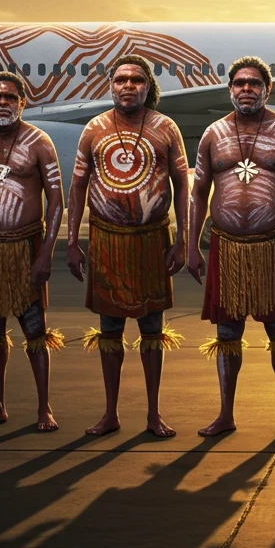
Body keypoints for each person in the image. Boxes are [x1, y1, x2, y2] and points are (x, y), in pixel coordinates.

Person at [189, 56, 275, 438]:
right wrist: (191, 245)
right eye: (240, 83)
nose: (247, 89)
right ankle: (226, 413)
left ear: (267, 89)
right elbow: (198, 192)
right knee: (227, 333)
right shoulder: (213, 134)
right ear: (229, 90)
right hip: (226, 249)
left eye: (254, 83)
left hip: (272, 246)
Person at [67, 54, 188, 437]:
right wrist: (72, 241)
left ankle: (154, 415)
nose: (128, 85)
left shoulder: (166, 128)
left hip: (153, 240)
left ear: (149, 87)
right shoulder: (94, 129)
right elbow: (77, 188)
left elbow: (183, 185)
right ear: (111, 85)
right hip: (106, 240)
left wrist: (183, 239)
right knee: (109, 328)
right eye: (121, 79)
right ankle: (110, 414)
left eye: (137, 79)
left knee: (152, 328)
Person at [0, 71, 64, 431]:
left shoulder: (39, 141)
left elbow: (56, 201)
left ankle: (43, 409)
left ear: (23, 102)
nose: (1, 103)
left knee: (34, 329)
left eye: (9, 97)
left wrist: (46, 252)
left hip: (24, 249)